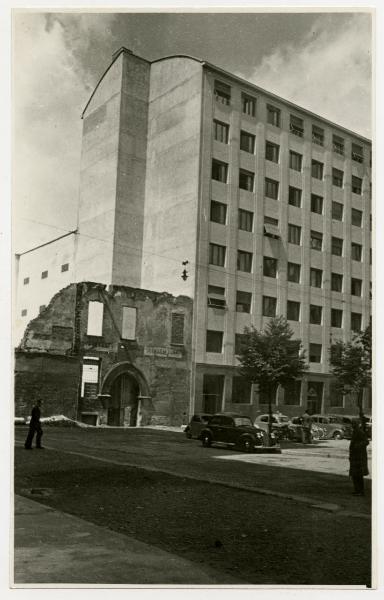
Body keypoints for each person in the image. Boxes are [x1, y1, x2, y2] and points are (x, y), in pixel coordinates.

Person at [349, 421, 369, 495]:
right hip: (354, 456)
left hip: (359, 456)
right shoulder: (355, 432)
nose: (353, 425)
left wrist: (358, 446)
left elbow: (366, 441)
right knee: (354, 475)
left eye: (354, 424)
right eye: (352, 424)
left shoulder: (360, 432)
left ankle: (360, 491)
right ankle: (357, 490)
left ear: (357, 424)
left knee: (359, 475)